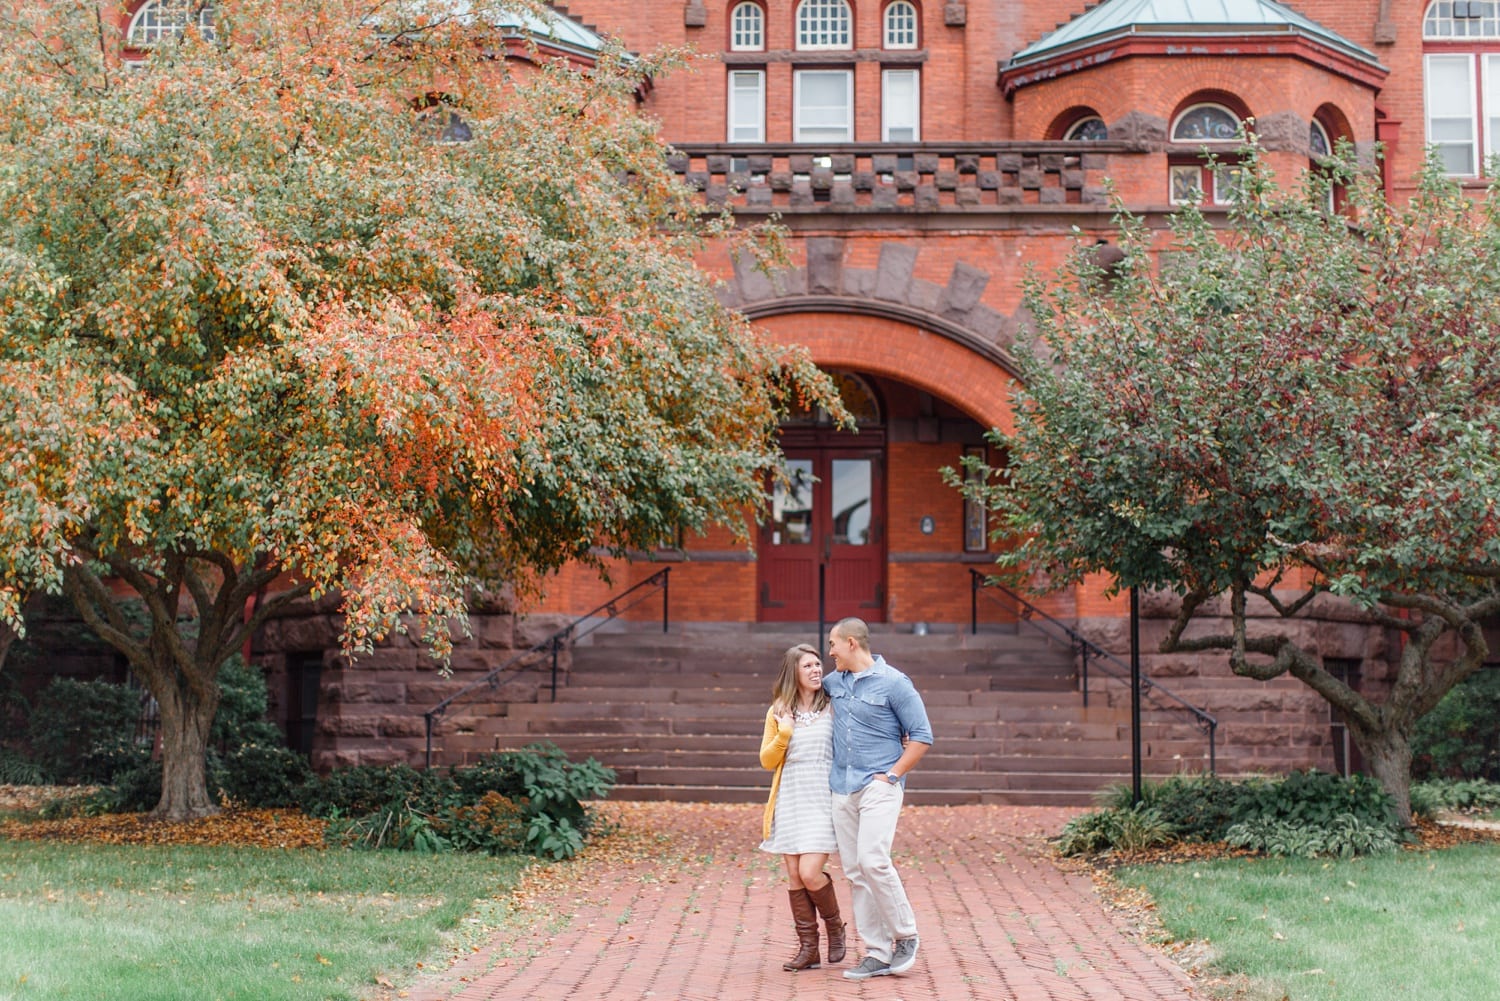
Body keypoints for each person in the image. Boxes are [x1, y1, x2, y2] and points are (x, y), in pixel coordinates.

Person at [823, 617, 933, 980]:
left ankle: (906, 935)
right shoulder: (833, 683)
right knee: (855, 871)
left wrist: (893, 775)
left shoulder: (895, 683)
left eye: (833, 644)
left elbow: (921, 736)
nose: (830, 652)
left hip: (879, 784)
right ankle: (877, 952)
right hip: (842, 785)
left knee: (873, 860)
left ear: (852, 643)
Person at [759, 643, 846, 972]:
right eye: (808, 666)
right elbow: (767, 761)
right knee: (795, 877)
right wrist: (785, 732)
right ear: (793, 672)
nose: (816, 670)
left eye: (818, 665)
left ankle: (835, 928)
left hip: (822, 794)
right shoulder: (778, 711)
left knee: (810, 873)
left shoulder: (833, 706)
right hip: (790, 796)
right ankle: (809, 948)